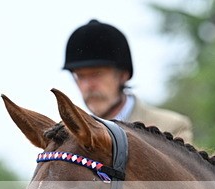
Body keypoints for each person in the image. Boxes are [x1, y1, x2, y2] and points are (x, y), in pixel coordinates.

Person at [63, 18, 194, 143]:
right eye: (80, 76)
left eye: (97, 74)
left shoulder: (170, 128)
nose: (88, 86)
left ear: (123, 75)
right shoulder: (69, 137)